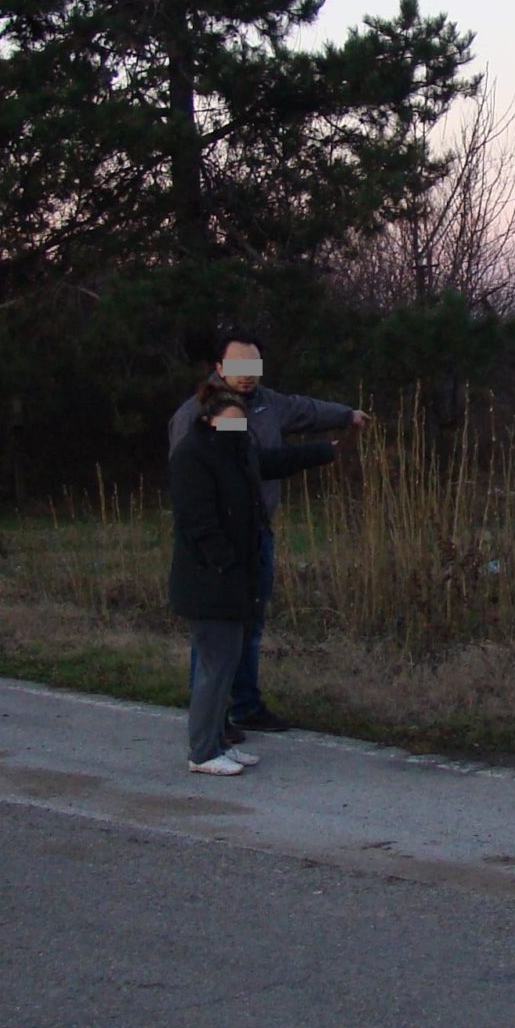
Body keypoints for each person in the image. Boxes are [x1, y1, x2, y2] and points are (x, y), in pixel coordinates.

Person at [166, 332, 370, 734]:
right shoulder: (197, 418)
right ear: (219, 368)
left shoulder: (266, 404)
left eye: (253, 367)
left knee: (249, 626)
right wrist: (216, 552)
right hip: (217, 544)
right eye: (238, 367)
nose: (247, 375)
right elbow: (191, 492)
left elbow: (292, 426)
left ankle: (244, 706)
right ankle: (210, 723)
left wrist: (343, 419)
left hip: (256, 535)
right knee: (215, 637)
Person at [167, 381, 338, 774]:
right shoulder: (191, 457)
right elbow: (198, 522)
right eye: (229, 424)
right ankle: (202, 752)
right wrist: (226, 564)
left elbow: (273, 462)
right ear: (209, 421)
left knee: (228, 664)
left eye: (241, 424)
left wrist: (323, 451)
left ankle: (217, 742)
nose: (237, 431)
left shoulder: (238, 451)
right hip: (209, 580)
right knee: (213, 668)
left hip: (237, 576)